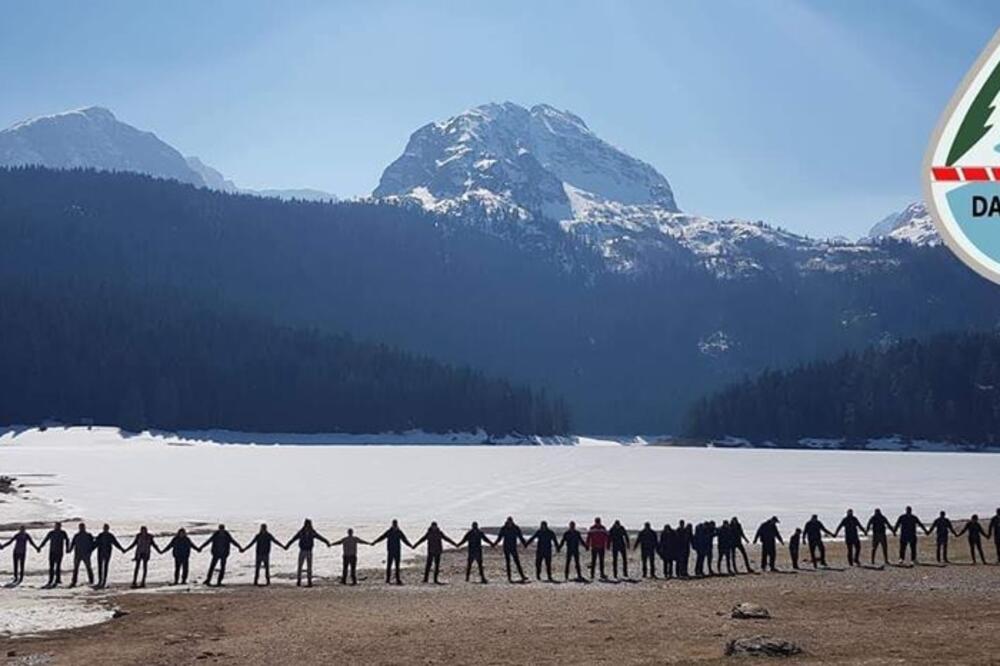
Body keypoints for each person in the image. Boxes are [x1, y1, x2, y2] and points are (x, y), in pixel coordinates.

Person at [286, 519, 331, 587]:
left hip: (309, 551)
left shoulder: (312, 532)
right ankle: (299, 581)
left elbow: (320, 537)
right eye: (307, 524)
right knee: (300, 566)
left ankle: (309, 582)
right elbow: (293, 539)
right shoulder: (301, 532)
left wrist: (326, 542)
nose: (308, 526)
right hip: (302, 550)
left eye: (309, 524)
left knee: (309, 567)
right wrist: (288, 545)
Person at [371, 519, 414, 585]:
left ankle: (397, 579)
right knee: (389, 565)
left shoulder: (399, 532)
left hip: (397, 551)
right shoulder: (389, 531)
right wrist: (375, 542)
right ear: (392, 524)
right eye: (394, 524)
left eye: (395, 524)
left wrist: (410, 545)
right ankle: (388, 579)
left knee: (397, 566)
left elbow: (405, 540)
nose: (395, 526)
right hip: (390, 551)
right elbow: (382, 537)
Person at [38, 521, 70, 588]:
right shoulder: (51, 533)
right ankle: (51, 579)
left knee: (58, 566)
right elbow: (45, 540)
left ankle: (58, 579)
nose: (58, 527)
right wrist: (40, 547)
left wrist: (67, 548)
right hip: (52, 552)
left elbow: (67, 540)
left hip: (59, 552)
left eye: (59, 526)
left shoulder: (63, 533)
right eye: (57, 526)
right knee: (51, 567)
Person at [496, 516, 528, 583]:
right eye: (508, 521)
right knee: (508, 562)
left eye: (510, 521)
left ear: (512, 521)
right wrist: (494, 544)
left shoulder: (515, 528)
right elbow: (499, 538)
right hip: (506, 547)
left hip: (513, 547)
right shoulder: (504, 528)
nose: (509, 523)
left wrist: (525, 544)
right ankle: (509, 577)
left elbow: (520, 536)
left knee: (517, 562)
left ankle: (522, 576)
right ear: (507, 521)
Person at [93, 524, 125, 589]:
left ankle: (104, 582)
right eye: (104, 528)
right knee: (100, 567)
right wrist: (89, 550)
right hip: (100, 552)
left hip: (107, 553)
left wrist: (121, 549)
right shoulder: (100, 535)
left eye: (106, 528)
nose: (105, 529)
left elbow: (116, 543)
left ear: (108, 529)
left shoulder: (110, 536)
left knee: (105, 567)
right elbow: (95, 544)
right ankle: (100, 581)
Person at [68, 522, 96, 587]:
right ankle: (74, 581)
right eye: (80, 527)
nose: (81, 528)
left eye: (82, 527)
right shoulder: (76, 536)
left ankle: (91, 580)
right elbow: (73, 544)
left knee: (88, 567)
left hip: (86, 554)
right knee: (76, 568)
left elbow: (93, 544)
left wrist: (90, 551)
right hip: (78, 554)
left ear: (84, 528)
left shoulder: (88, 535)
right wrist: (70, 550)